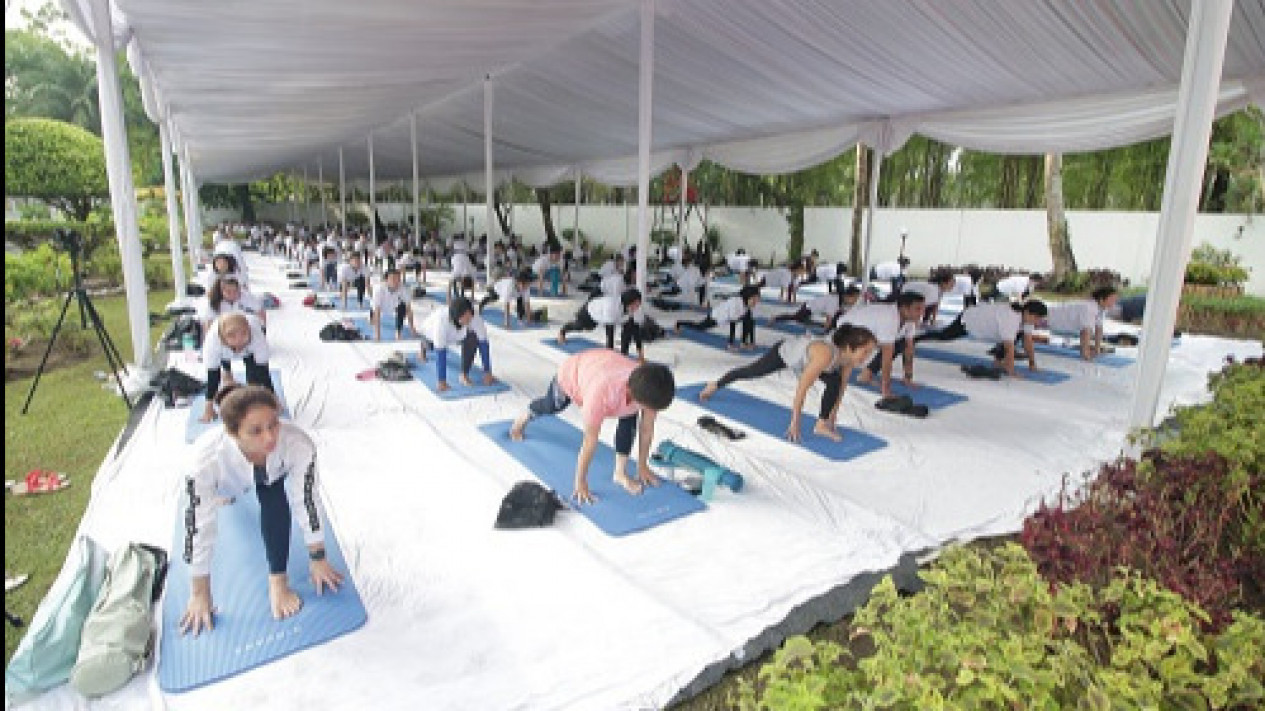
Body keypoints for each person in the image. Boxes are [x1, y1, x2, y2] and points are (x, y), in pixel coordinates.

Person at [179, 385, 343, 635]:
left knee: (273, 496)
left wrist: (318, 558)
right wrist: (199, 594)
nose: (269, 437)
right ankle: (225, 495)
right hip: (226, 484)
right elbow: (197, 528)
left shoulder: (296, 443)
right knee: (216, 502)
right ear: (233, 433)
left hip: (272, 472)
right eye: (255, 430)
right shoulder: (203, 462)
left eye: (273, 424)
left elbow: (307, 499)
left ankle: (278, 580)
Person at [509, 351, 675, 505]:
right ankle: (526, 415)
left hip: (603, 366)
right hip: (572, 373)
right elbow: (590, 440)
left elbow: (646, 429)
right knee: (552, 405)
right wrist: (580, 482)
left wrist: (642, 466)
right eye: (650, 408)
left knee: (629, 415)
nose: (652, 412)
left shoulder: (648, 385)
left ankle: (620, 473)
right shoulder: (600, 394)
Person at [699, 325, 878, 442]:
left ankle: (820, 425)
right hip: (785, 353)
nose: (867, 357)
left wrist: (832, 415)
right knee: (751, 372)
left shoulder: (848, 360)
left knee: (835, 383)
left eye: (870, 352)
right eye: (865, 351)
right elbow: (802, 388)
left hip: (809, 361)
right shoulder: (824, 354)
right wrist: (795, 422)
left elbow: (841, 389)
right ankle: (715, 384)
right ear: (850, 347)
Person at [919, 300, 1050, 377]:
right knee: (944, 336)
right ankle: (916, 338)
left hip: (985, 322)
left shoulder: (1026, 320)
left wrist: (1032, 364)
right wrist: (1011, 370)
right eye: (1037, 318)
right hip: (970, 320)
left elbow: (1028, 341)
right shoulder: (1011, 319)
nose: (1038, 322)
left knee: (1018, 335)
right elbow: (1009, 347)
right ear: (1027, 313)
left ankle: (998, 359)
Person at [838, 292, 926, 398]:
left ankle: (866, 374)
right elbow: (887, 358)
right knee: (880, 349)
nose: (922, 313)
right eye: (918, 309)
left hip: (870, 329)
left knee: (900, 344)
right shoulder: (889, 318)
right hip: (847, 327)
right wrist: (886, 389)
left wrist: (908, 378)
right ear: (904, 308)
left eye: (923, 309)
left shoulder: (910, 320)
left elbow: (909, 348)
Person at [200, 313, 274, 423]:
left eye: (243, 333)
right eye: (232, 335)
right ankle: (227, 373)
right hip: (223, 350)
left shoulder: (256, 335)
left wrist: (272, 398)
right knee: (224, 361)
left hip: (250, 346)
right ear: (223, 337)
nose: (239, 340)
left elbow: (263, 372)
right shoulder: (212, 343)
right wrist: (208, 407)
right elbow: (212, 377)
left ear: (249, 331)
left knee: (254, 377)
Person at [417, 297, 496, 392]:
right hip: (429, 333)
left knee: (472, 338)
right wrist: (441, 381)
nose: (469, 318)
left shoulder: (474, 317)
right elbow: (441, 352)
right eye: (466, 317)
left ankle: (464, 374)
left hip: (458, 334)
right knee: (430, 345)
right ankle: (423, 348)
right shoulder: (441, 321)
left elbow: (483, 343)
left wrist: (487, 372)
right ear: (457, 316)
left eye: (470, 315)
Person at [558, 289, 647, 360]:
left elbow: (633, 332)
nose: (637, 308)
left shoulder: (629, 309)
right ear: (629, 301)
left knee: (629, 328)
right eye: (636, 304)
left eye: (638, 305)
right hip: (591, 310)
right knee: (581, 327)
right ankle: (563, 331)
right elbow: (609, 334)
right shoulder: (612, 307)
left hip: (604, 314)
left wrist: (640, 354)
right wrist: (609, 355)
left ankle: (623, 355)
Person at [674, 285, 761, 350]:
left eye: (757, 299)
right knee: (699, 327)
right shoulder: (736, 304)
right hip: (716, 316)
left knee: (749, 320)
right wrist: (730, 344)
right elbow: (732, 325)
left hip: (729, 316)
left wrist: (752, 342)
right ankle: (679, 323)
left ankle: (744, 343)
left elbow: (749, 324)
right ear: (747, 297)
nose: (756, 302)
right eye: (754, 299)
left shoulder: (746, 305)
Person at [1043, 286, 1118, 360]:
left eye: (1115, 300)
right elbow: (1085, 332)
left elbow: (1099, 328)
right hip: (1047, 317)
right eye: (1112, 300)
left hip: (1054, 320)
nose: (1114, 302)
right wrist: (1085, 353)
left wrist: (1097, 349)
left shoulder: (1102, 309)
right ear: (1101, 300)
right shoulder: (1089, 308)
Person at [773, 285, 862, 331]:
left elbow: (843, 312)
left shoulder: (842, 300)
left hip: (815, 308)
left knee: (839, 315)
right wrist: (826, 328)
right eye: (854, 298)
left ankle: (832, 329)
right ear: (847, 296)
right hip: (809, 307)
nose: (855, 301)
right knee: (796, 318)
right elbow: (829, 318)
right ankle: (776, 318)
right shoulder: (834, 301)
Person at [199, 275, 265, 332]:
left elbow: (260, 312)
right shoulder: (213, 302)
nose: (232, 294)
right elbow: (208, 324)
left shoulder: (247, 297)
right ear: (221, 291)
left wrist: (262, 328)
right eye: (228, 292)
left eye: (235, 291)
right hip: (221, 331)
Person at [370, 268, 416, 341]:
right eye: (392, 279)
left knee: (403, 307)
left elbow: (409, 310)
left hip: (394, 306)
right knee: (372, 321)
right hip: (379, 306)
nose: (395, 281)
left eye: (398, 279)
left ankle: (398, 332)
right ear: (386, 280)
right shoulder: (378, 289)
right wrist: (377, 334)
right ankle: (371, 318)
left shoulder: (403, 289)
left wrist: (412, 328)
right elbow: (377, 311)